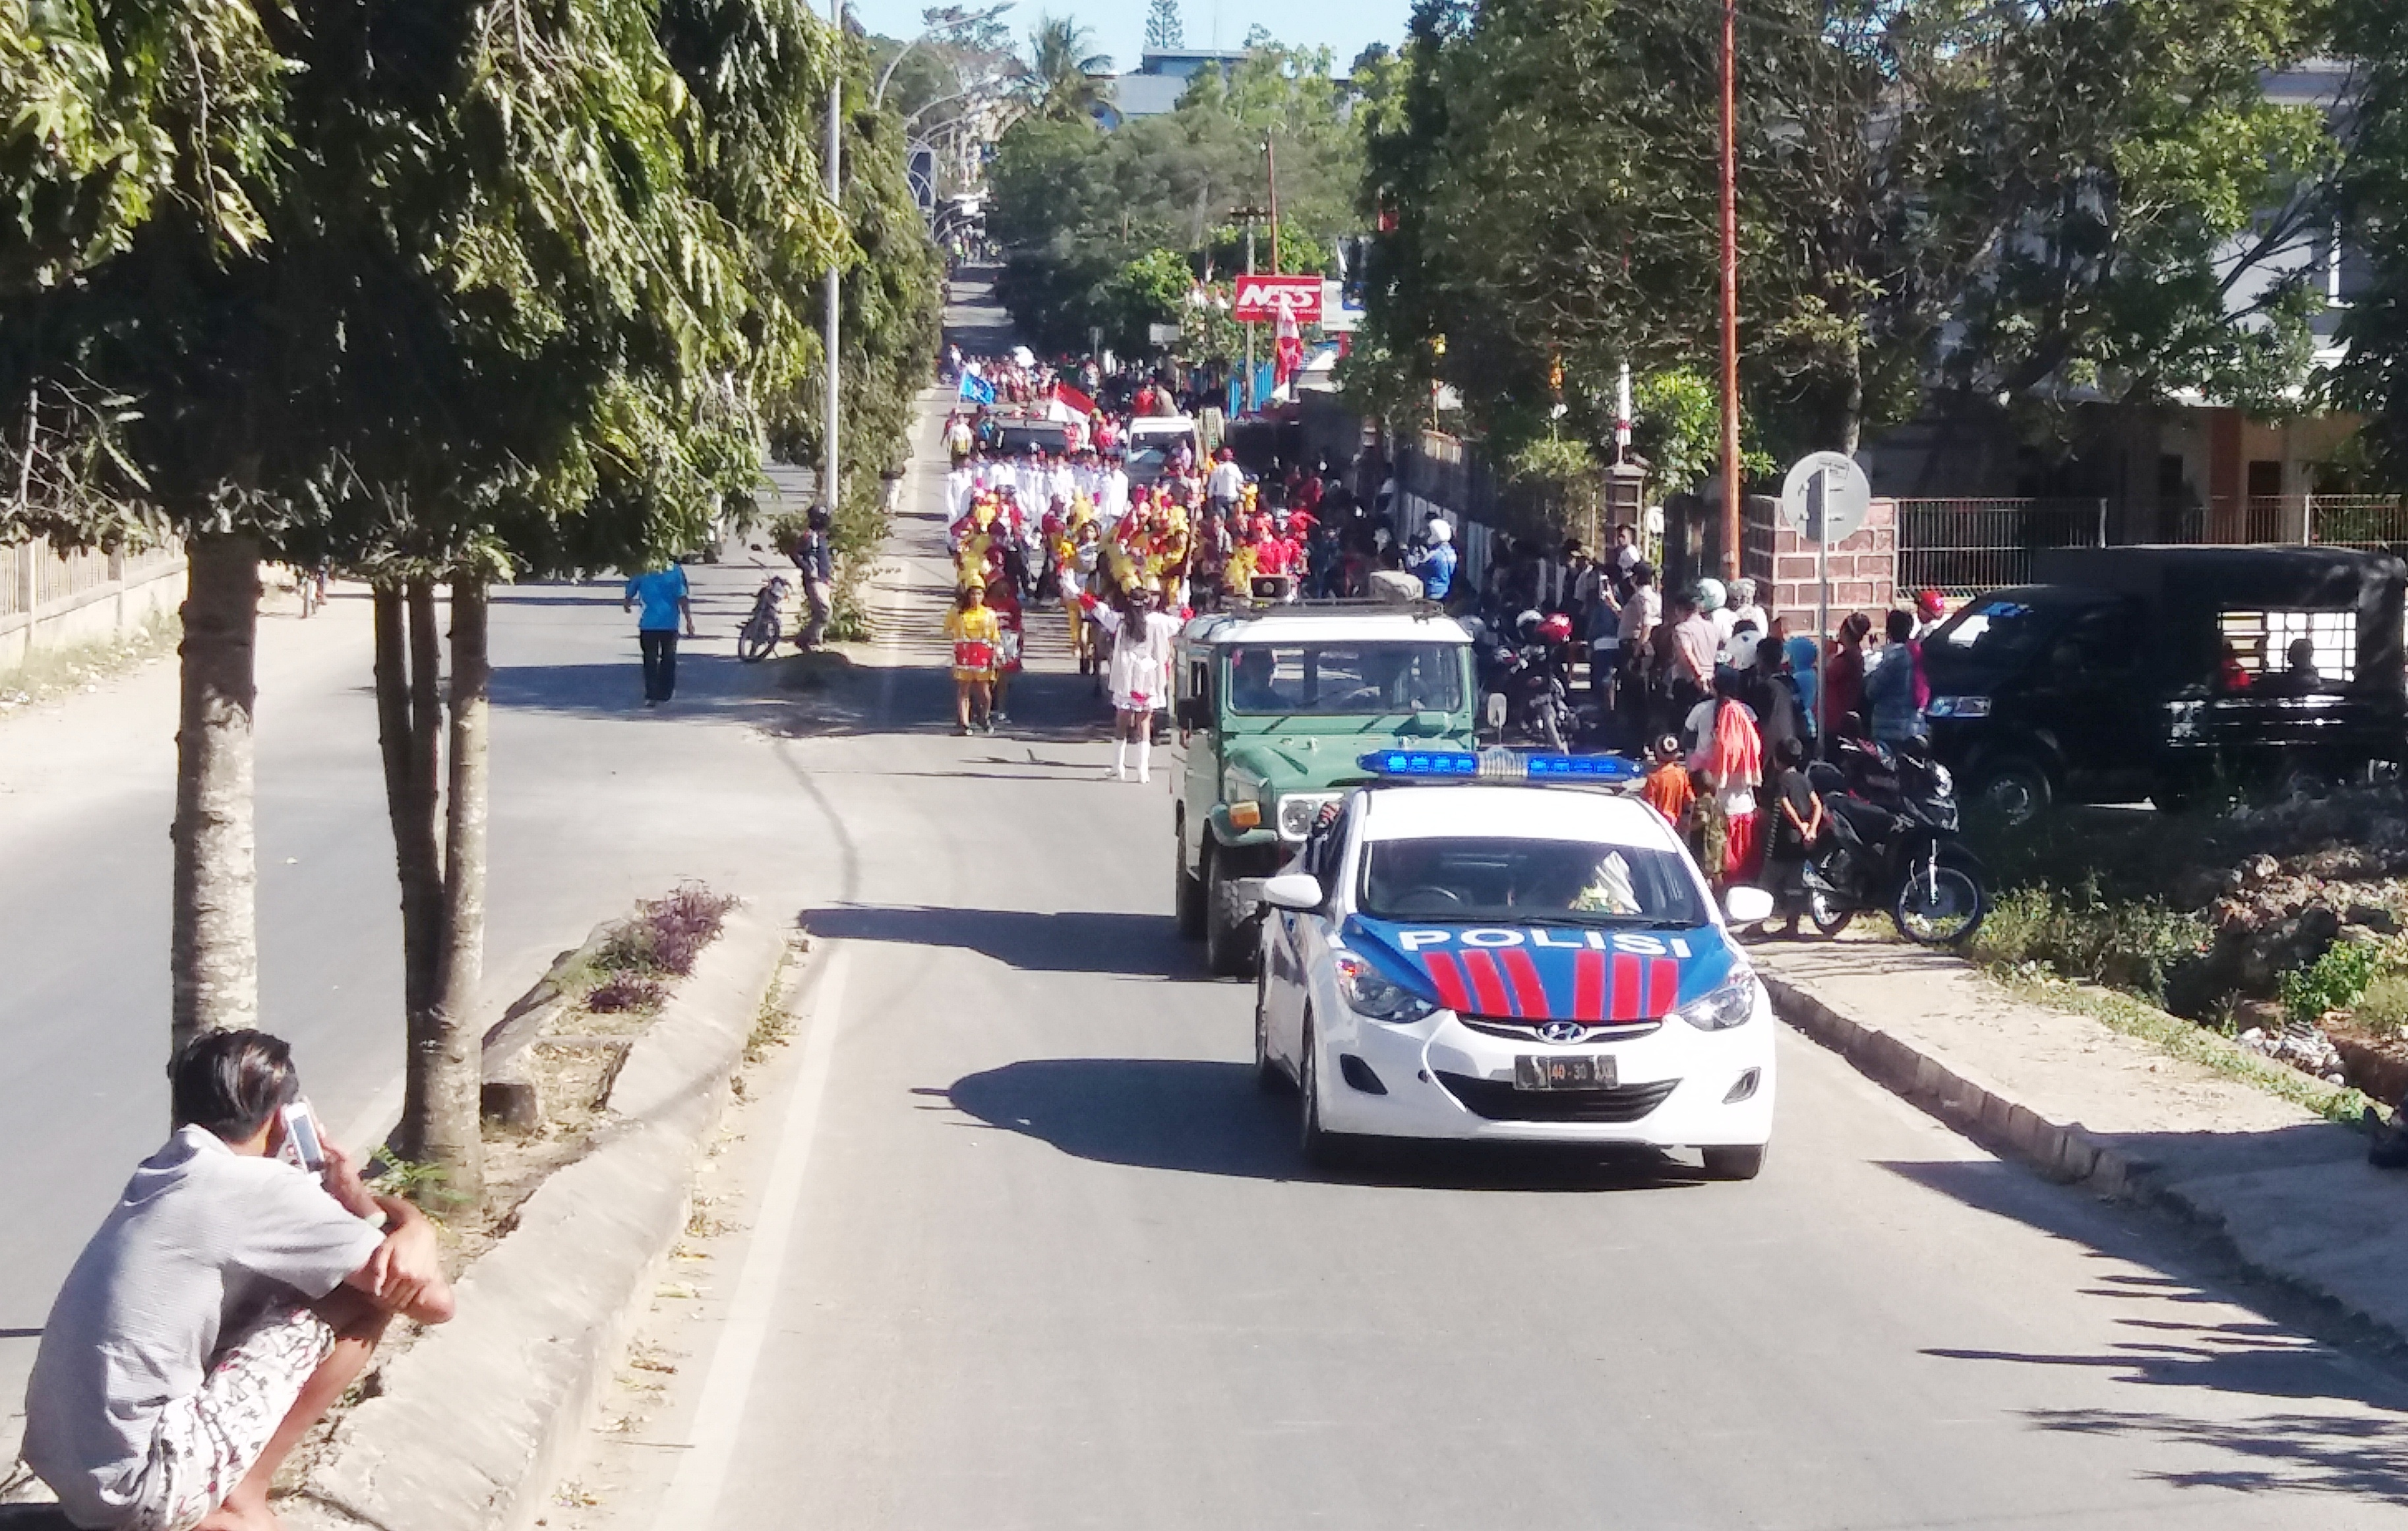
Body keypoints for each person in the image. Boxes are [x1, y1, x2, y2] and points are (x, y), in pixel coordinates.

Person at [24, 1031, 454, 1531]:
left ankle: (208, 1493)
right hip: (140, 1489)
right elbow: (433, 1303)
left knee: (296, 1283)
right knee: (359, 1299)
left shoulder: (166, 1170)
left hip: (73, 1470)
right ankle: (241, 1496)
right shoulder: (260, 1188)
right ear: (283, 1118)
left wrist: (379, 1213)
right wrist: (409, 1221)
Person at [1085, 586, 1185, 781]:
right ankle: (1142, 771)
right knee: (1144, 722)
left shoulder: (1121, 621)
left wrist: (1076, 591)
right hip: (1150, 675)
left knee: (1122, 721)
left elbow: (1096, 608)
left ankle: (1118, 766)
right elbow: (1185, 621)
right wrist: (1182, 602)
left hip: (1127, 676)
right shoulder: (1161, 621)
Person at [1687, 669, 1764, 887]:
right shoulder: (1747, 713)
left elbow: (1688, 742)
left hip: (1710, 801)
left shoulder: (1700, 711)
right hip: (1741, 802)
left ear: (1714, 685)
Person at [1764, 736, 1826, 936]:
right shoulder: (1804, 780)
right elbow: (1817, 805)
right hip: (1801, 843)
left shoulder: (1781, 780)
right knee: (1795, 885)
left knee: (1767, 883)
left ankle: (1758, 923)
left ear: (1776, 760)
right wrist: (1812, 830)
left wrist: (1800, 827)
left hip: (1781, 841)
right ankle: (1792, 925)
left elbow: (1784, 804)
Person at [622, 560, 695, 705]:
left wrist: (627, 604)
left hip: (648, 624)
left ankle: (652, 694)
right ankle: (666, 692)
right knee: (668, 659)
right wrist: (689, 621)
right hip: (670, 624)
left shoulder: (642, 569)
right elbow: (682, 597)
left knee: (650, 660)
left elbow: (630, 592)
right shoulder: (674, 570)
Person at [1865, 607, 1929, 743]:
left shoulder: (1894, 659)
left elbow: (1871, 691)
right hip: (1914, 724)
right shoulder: (1917, 653)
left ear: (1888, 632)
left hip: (1890, 728)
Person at [945, 582, 1000, 735]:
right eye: (972, 594)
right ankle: (964, 723)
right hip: (965, 657)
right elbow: (947, 630)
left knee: (984, 691)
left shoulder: (990, 614)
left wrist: (998, 652)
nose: (975, 597)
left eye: (979, 594)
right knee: (964, 689)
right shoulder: (958, 613)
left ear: (984, 596)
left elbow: (995, 636)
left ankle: (984, 717)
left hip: (983, 657)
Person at [790, 506, 835, 651]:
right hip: (815, 580)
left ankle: (811, 641)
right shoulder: (810, 537)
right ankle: (810, 640)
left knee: (822, 613)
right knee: (824, 612)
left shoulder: (820, 536)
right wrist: (808, 570)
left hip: (823, 580)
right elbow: (795, 554)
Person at [1824, 612, 1873, 742]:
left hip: (1836, 719)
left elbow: (1826, 674)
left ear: (1845, 631)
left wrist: (1827, 653)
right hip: (1840, 716)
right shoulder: (1855, 656)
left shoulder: (1847, 659)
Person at [1640, 733, 1696, 833]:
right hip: (1676, 826)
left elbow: (1649, 805)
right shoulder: (1681, 774)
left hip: (1658, 826)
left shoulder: (1654, 778)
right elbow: (1690, 799)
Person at [1407, 518, 1458, 601]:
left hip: (1432, 594)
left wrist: (1412, 552)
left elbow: (1414, 567)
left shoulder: (1435, 555)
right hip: (1445, 591)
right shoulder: (1451, 552)